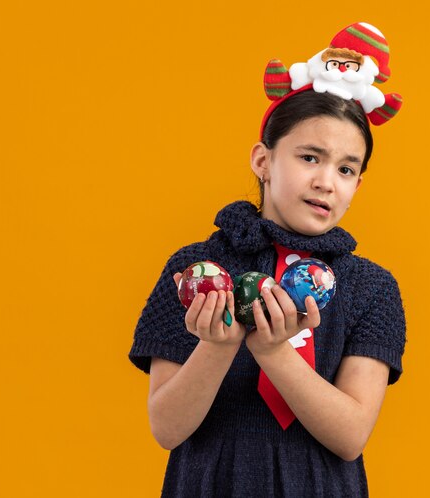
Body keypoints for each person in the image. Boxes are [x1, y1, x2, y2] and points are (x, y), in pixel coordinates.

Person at [129, 22, 407, 497]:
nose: (326, 182)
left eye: (346, 168)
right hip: (210, 482)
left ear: (357, 185)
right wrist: (217, 346)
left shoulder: (371, 287)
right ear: (262, 160)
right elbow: (166, 429)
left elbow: (350, 436)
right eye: (309, 157)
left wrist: (274, 352)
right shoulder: (195, 269)